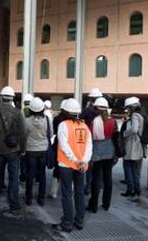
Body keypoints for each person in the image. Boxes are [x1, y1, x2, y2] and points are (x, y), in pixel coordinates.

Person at [52, 98, 92, 233]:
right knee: (80, 193)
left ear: (66, 112)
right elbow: (89, 146)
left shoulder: (63, 125)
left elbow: (64, 146)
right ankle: (79, 221)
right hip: (81, 166)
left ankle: (67, 224)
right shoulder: (84, 126)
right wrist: (84, 161)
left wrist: (75, 160)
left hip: (66, 165)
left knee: (67, 194)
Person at [0, 86, 26, 213]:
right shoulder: (17, 113)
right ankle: (14, 205)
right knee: (13, 178)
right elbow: (22, 133)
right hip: (13, 150)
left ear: (1, 98)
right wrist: (23, 149)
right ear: (12, 98)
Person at [86, 97, 118, 213]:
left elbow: (89, 136)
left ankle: (93, 206)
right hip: (110, 151)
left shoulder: (94, 122)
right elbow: (115, 136)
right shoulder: (113, 121)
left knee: (96, 180)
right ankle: (106, 204)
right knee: (108, 178)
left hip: (98, 152)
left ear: (97, 109)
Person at [24, 97, 53, 206]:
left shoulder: (26, 121)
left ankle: (29, 198)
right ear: (42, 109)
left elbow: (24, 135)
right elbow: (50, 134)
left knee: (30, 175)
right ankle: (41, 199)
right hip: (43, 150)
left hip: (30, 150)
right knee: (42, 175)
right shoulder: (47, 120)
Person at [81, 88, 103, 195]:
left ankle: (88, 186)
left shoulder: (88, 110)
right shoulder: (105, 112)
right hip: (102, 141)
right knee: (99, 163)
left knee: (89, 163)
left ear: (91, 99)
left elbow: (79, 119)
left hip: (89, 139)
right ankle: (99, 184)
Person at [121, 97, 144, 198]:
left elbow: (134, 130)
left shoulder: (134, 115)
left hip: (131, 145)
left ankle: (130, 189)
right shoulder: (141, 115)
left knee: (127, 167)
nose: (127, 110)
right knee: (134, 168)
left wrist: (125, 134)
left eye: (128, 108)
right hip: (137, 144)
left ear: (131, 107)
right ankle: (137, 189)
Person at [48, 100, 67, 199]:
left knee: (57, 169)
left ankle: (53, 192)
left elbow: (54, 132)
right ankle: (69, 191)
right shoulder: (73, 120)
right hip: (70, 146)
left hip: (58, 145)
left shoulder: (57, 118)